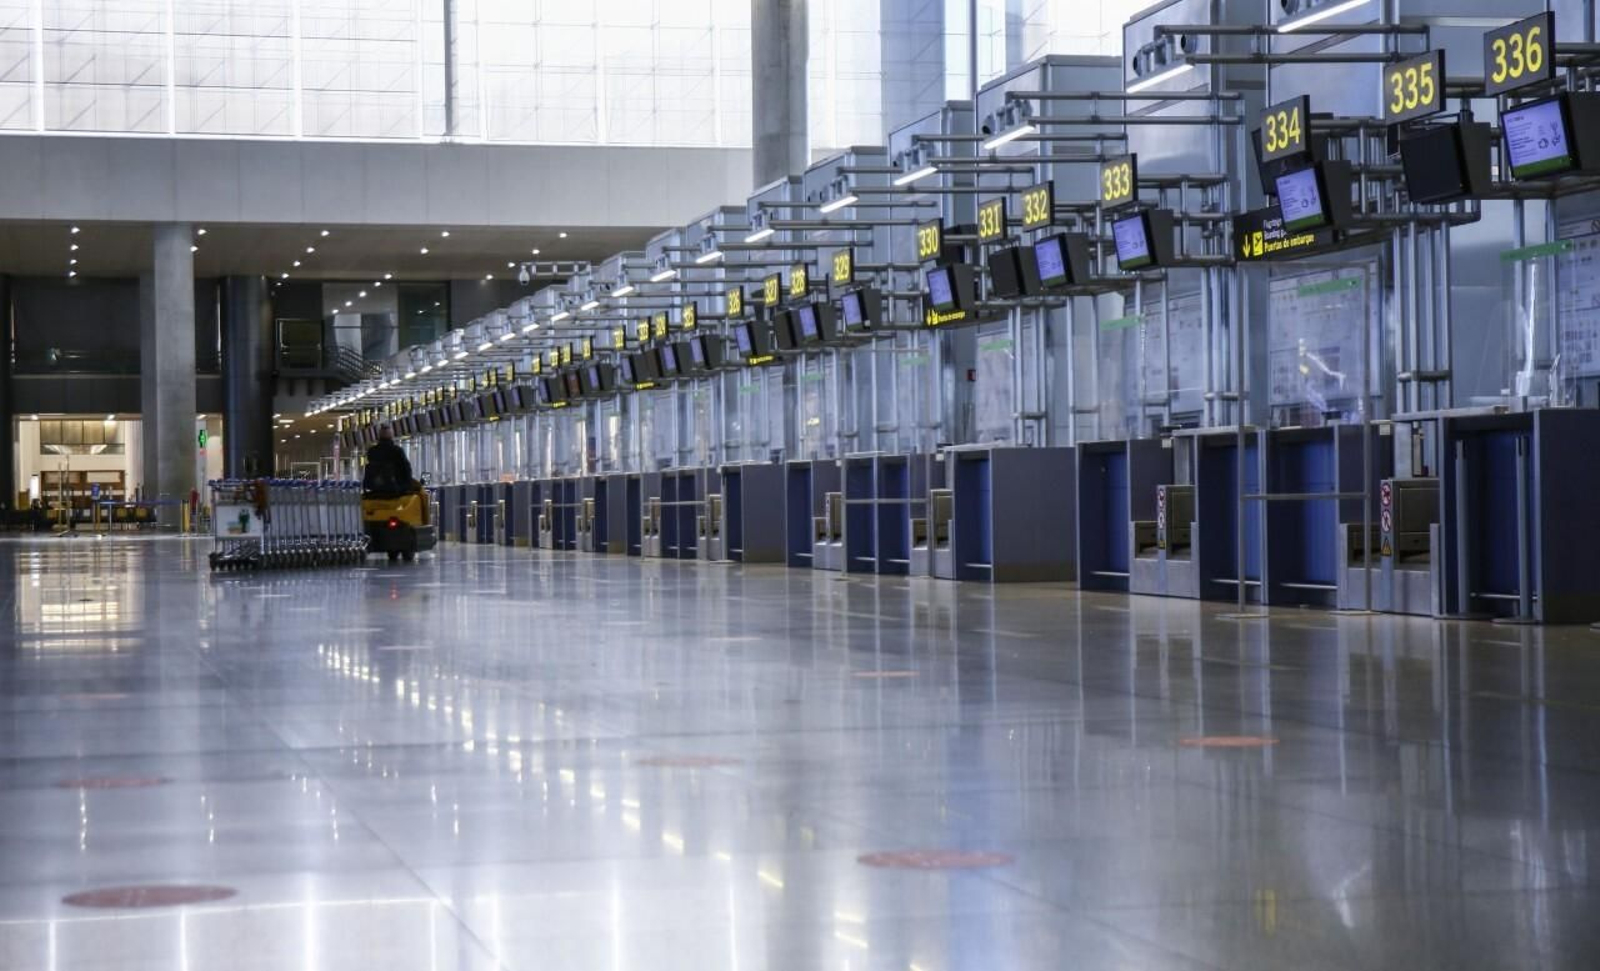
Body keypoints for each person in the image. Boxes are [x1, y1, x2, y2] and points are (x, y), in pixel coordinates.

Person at [362, 426, 416, 498]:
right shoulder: (397, 451)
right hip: (394, 490)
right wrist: (409, 485)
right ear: (391, 436)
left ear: (379, 436)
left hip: (374, 488)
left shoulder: (372, 451)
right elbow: (406, 469)